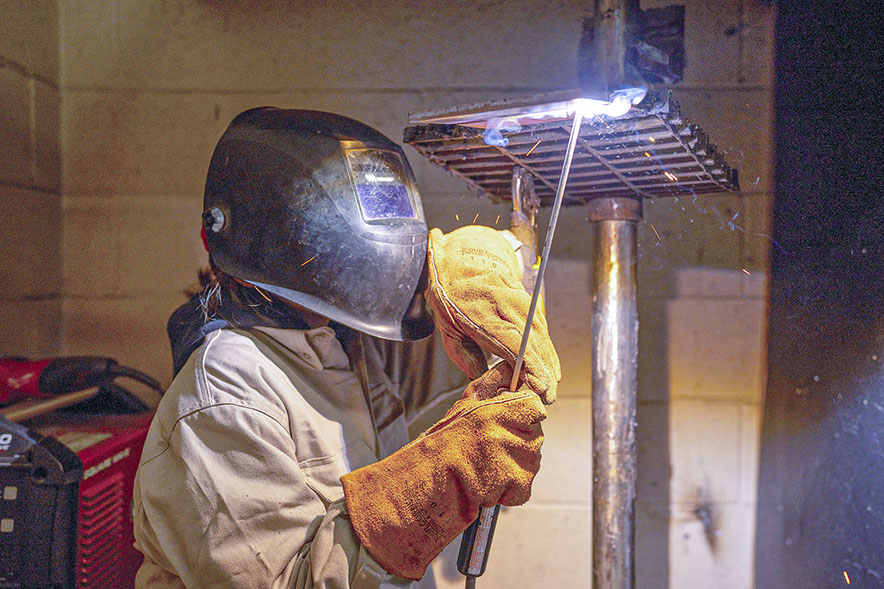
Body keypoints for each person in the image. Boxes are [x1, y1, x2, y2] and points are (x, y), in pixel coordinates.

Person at [131, 108, 560, 588]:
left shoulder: (341, 337)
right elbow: (286, 580)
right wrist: (434, 485)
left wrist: (485, 267)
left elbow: (464, 361)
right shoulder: (226, 394)